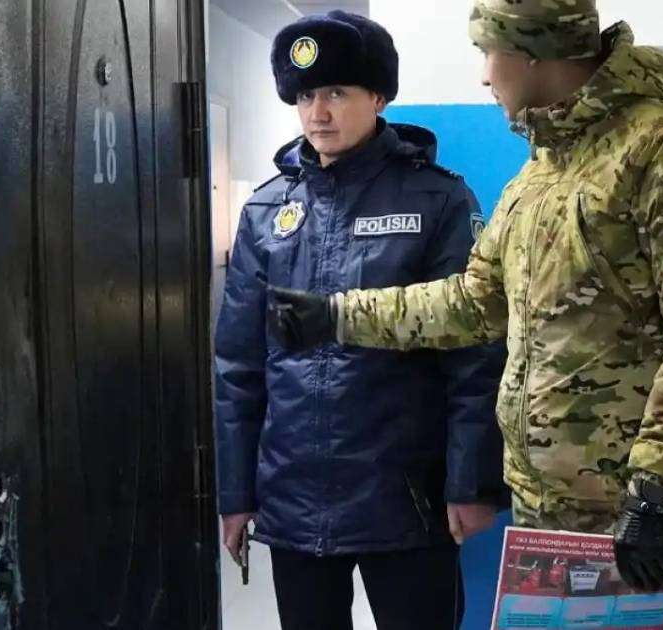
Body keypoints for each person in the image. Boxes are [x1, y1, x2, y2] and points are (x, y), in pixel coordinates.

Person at [266, 1, 663, 626]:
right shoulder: (539, 175)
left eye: (488, 56)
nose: (485, 77)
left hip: (637, 517)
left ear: (528, 54)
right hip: (547, 517)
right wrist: (337, 315)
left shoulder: (662, 148)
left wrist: (656, 488)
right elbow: (471, 301)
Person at [213, 11, 507, 630]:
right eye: (305, 96)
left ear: (377, 96)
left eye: (336, 93)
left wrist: (471, 483)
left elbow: (475, 354)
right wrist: (235, 494)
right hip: (293, 499)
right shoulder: (268, 209)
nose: (318, 111)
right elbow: (238, 366)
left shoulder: (437, 200)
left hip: (406, 498)